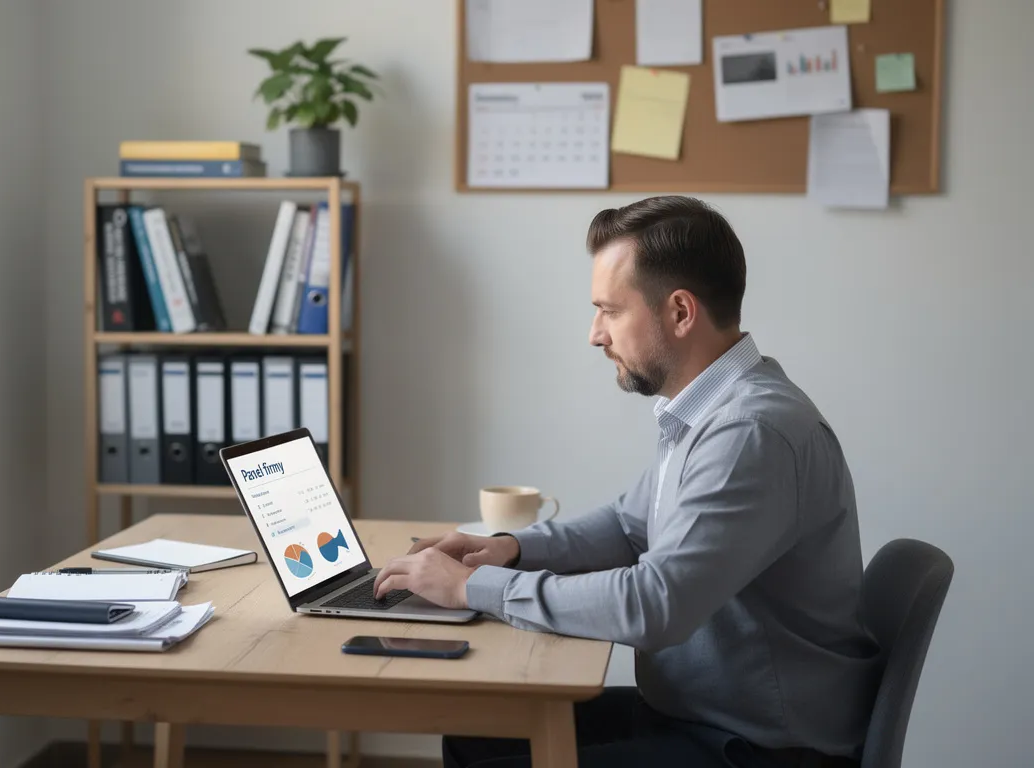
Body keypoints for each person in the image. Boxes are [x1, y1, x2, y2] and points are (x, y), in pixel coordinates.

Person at [373, 195, 881, 768]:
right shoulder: (707, 413)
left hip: (758, 747)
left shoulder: (749, 432)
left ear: (680, 312)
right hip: (703, 715)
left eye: (610, 311)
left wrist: (471, 589)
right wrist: (510, 550)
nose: (595, 334)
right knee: (474, 731)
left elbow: (652, 604)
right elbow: (627, 524)